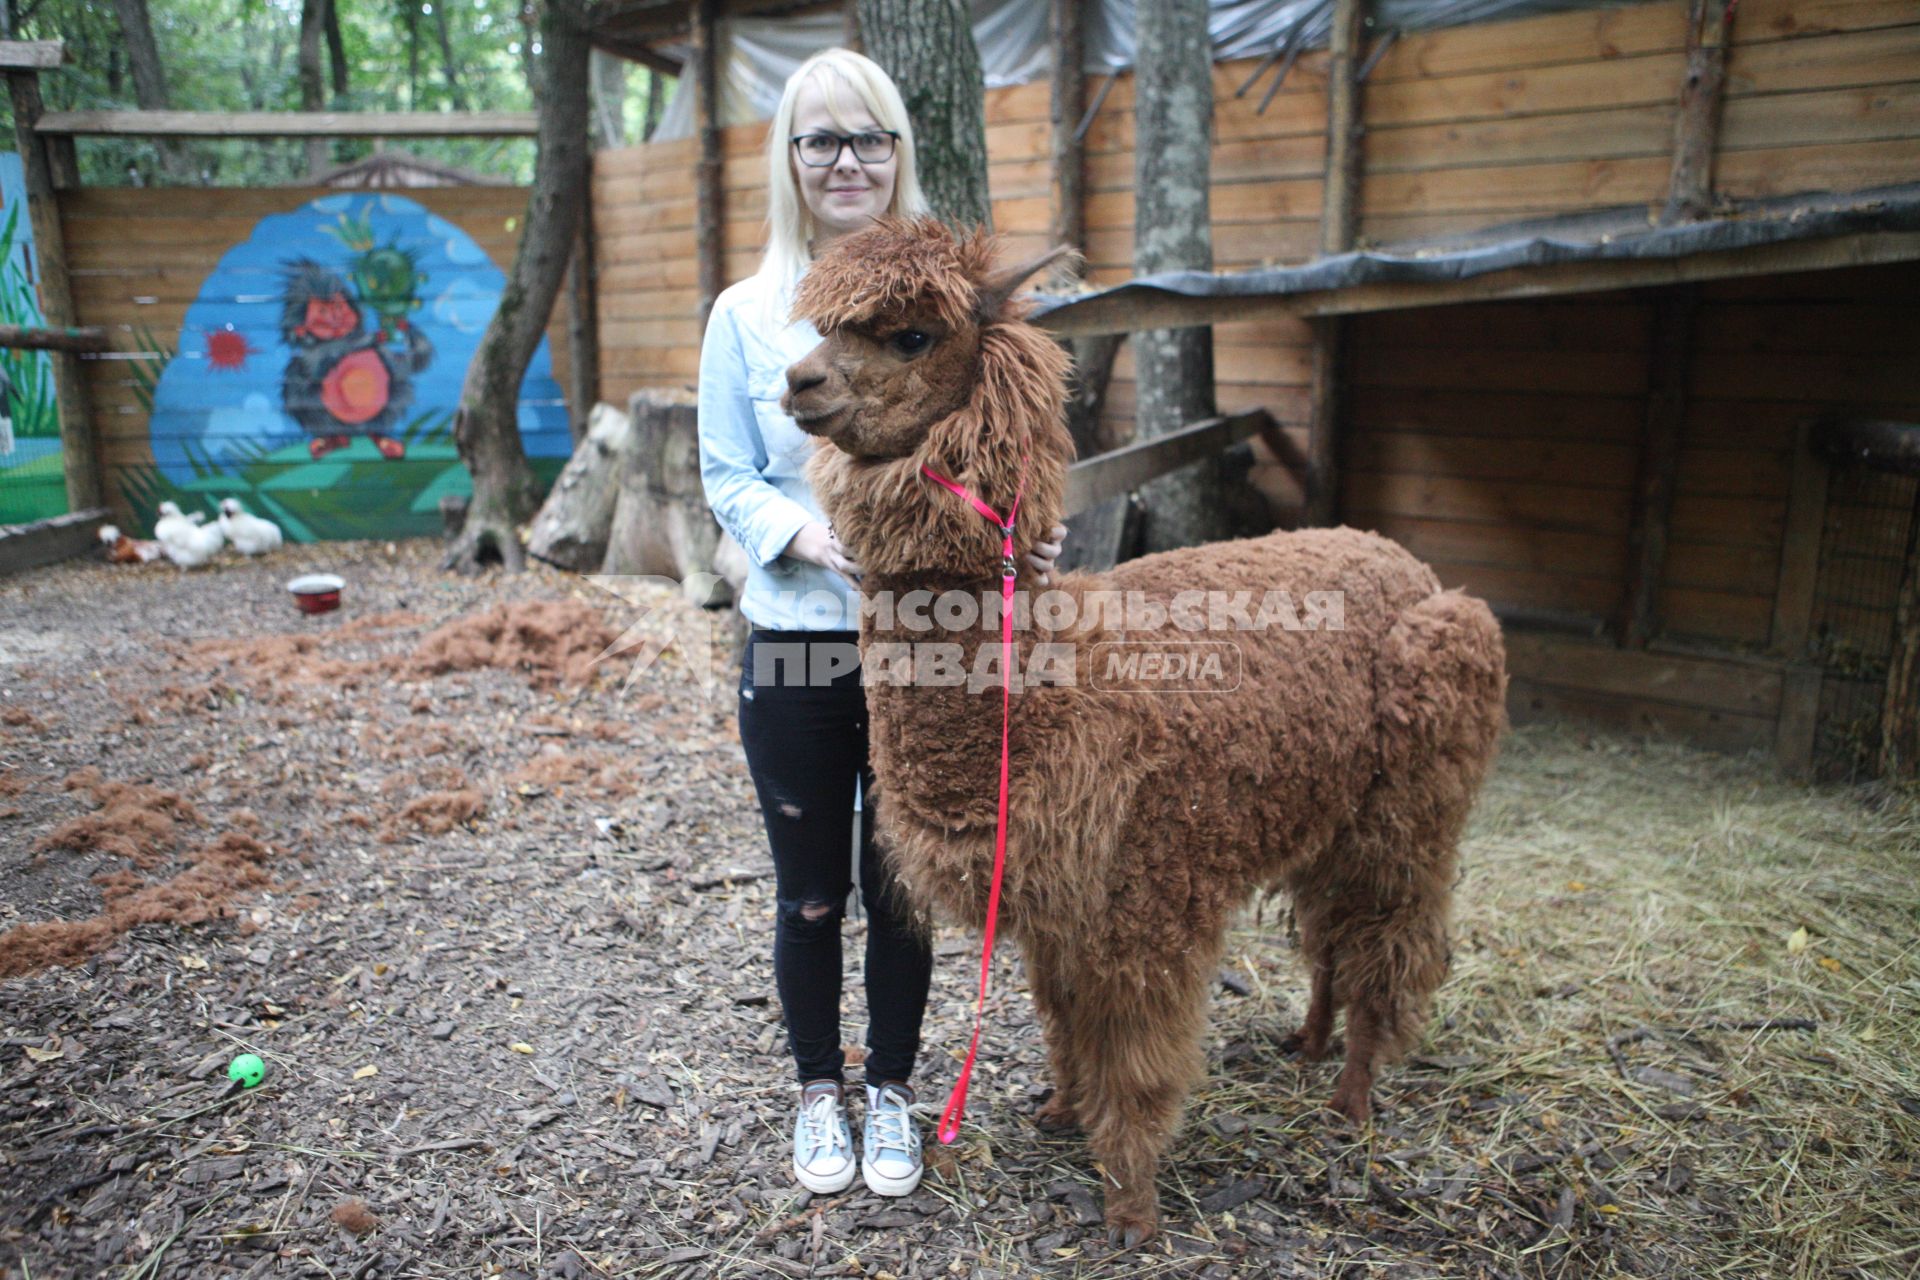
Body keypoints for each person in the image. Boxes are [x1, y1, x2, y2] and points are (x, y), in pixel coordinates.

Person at [696, 48, 1065, 1198]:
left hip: (930, 643)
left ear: (900, 149)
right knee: (811, 890)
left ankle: (893, 1088)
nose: (845, 161)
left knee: (907, 884)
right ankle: (821, 1089)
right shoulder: (749, 312)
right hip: (804, 634)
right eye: (820, 140)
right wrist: (810, 538)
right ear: (789, 158)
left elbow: (1001, 444)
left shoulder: (942, 307)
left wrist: (1029, 532)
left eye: (869, 138)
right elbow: (725, 472)